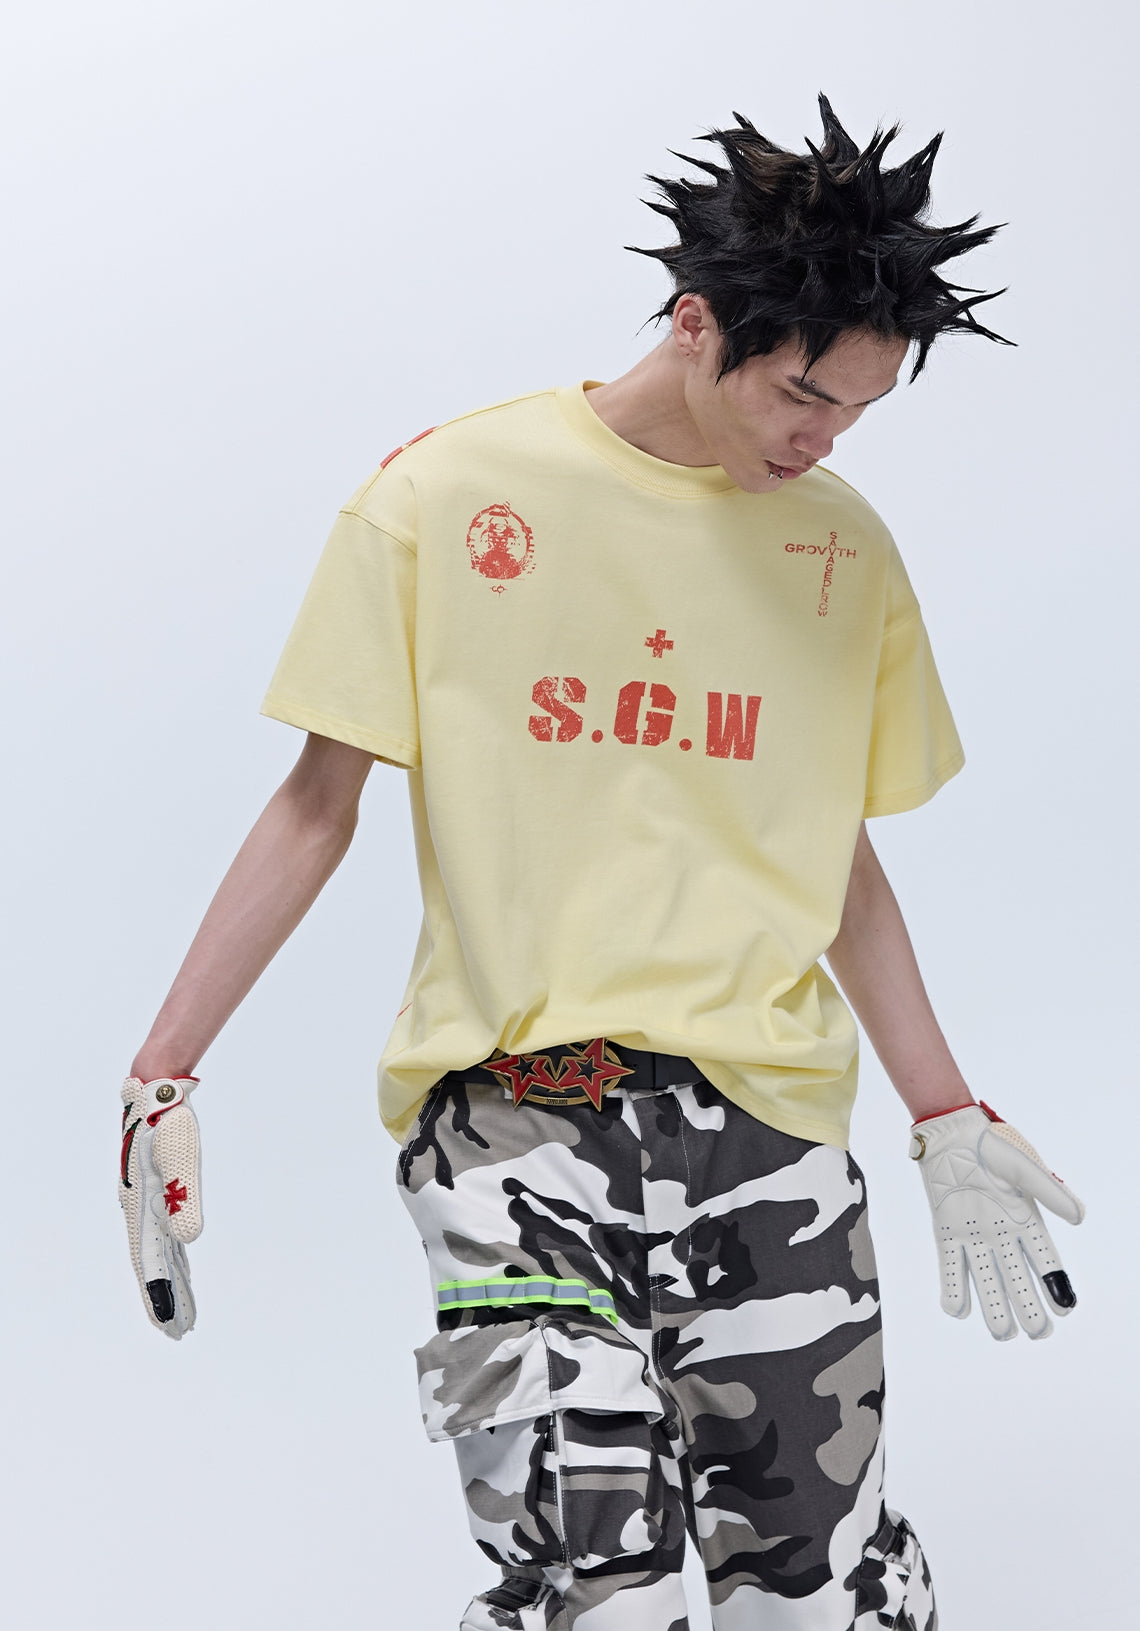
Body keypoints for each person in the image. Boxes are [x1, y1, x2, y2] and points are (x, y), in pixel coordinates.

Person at [118, 97, 1085, 1631]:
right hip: (514, 1129)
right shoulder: (444, 497)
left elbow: (828, 856)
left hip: (771, 1133)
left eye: (857, 412)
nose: (824, 439)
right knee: (595, 1590)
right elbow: (315, 805)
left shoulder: (844, 553)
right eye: (803, 395)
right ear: (696, 324)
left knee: (813, 1598)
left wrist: (945, 1112)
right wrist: (161, 1072)